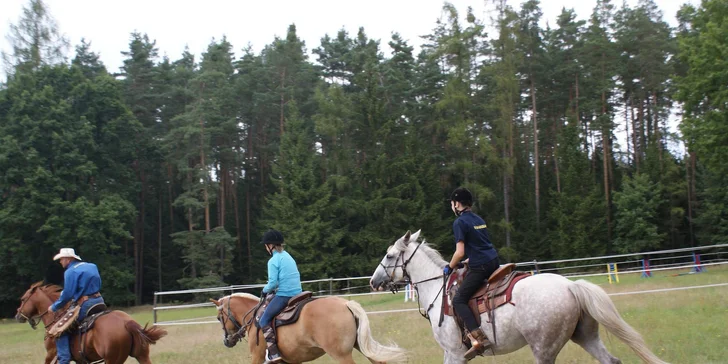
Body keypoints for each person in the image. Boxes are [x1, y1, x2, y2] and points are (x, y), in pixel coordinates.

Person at [444, 187, 500, 360]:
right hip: (493, 261)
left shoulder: (459, 222)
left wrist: (450, 267)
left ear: (457, 204)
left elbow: (460, 252)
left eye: (452, 203)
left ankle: (479, 337)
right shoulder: (478, 219)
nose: (452, 207)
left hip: (481, 266)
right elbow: (481, 246)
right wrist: (467, 262)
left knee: (459, 299)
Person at [48, 248, 105, 364]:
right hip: (99, 301)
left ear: (68, 259)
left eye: (61, 259)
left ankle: (63, 360)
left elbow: (67, 294)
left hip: (85, 304)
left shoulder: (70, 272)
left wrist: (54, 307)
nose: (60, 262)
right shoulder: (92, 266)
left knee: (60, 330)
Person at [257, 229, 302, 363]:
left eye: (266, 245)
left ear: (270, 246)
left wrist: (264, 291)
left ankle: (273, 353)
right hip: (298, 293)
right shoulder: (288, 256)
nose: (266, 248)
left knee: (263, 320)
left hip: (285, 295)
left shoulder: (273, 260)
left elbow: (273, 282)